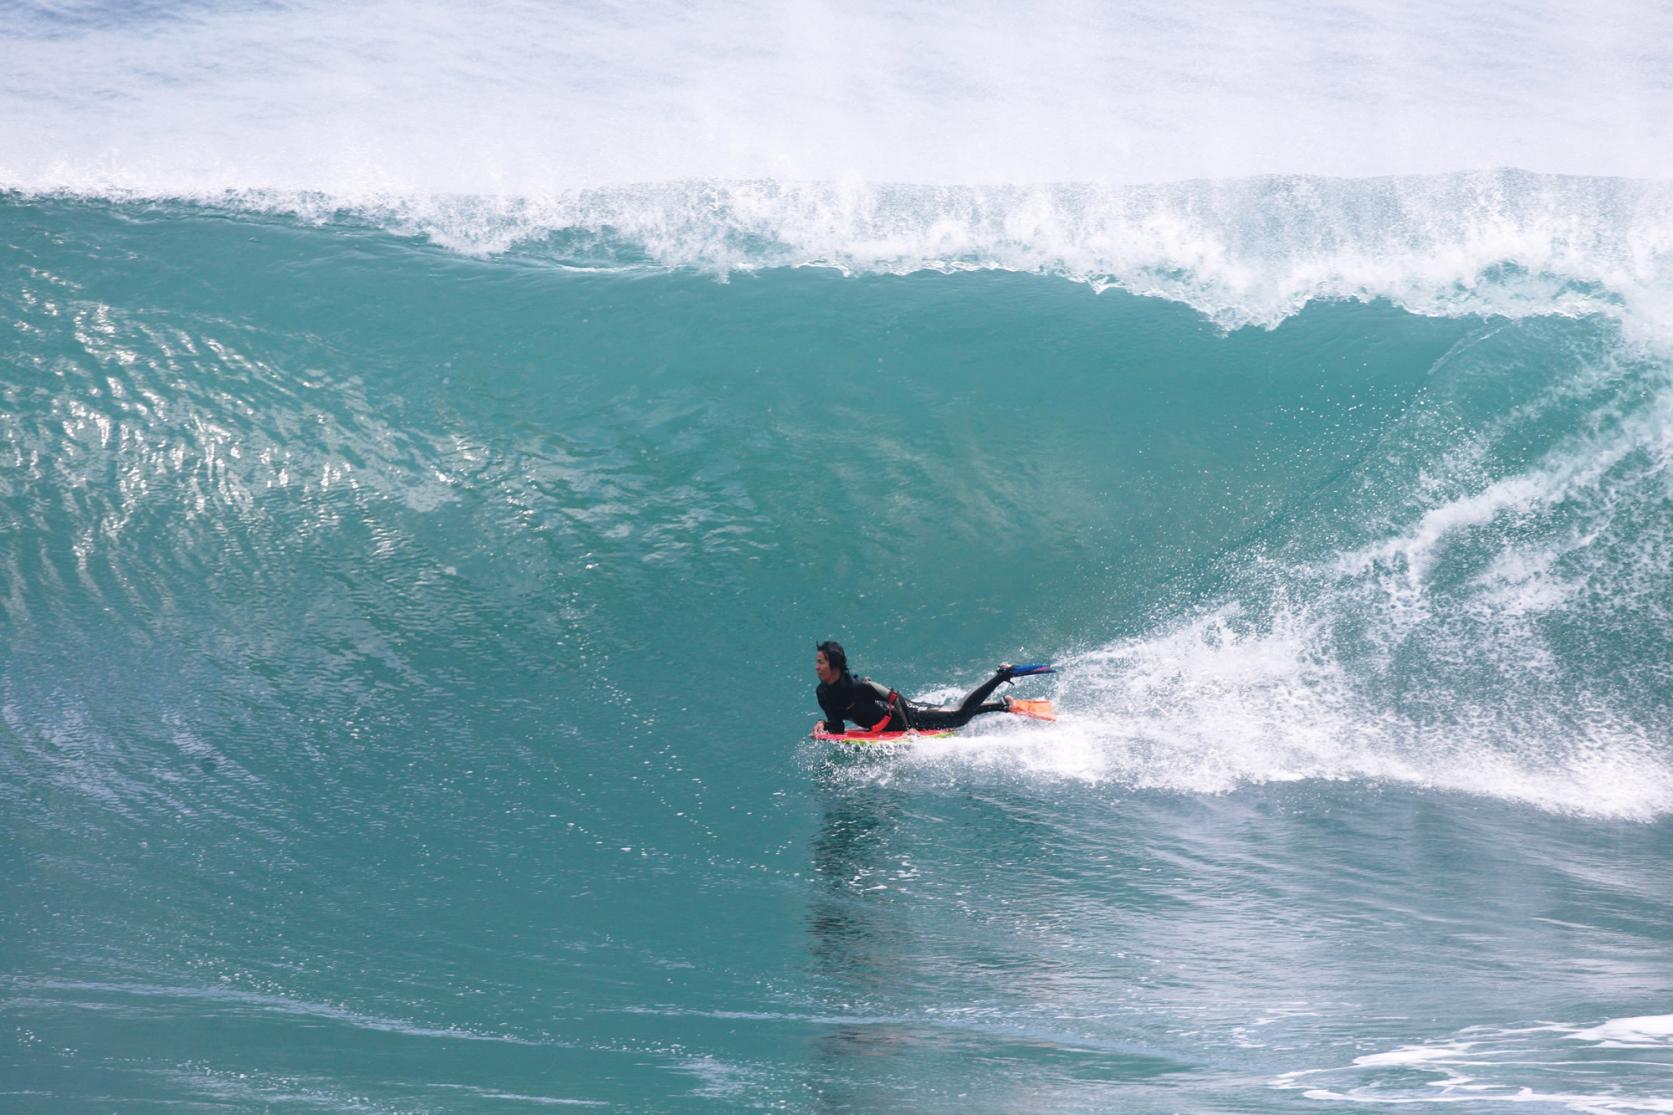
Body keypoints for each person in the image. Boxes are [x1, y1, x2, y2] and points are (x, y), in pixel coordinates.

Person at [814, 640, 1019, 734]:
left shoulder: (860, 685)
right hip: (891, 728)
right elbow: (838, 726)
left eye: (821, 662)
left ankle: (1001, 676)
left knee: (958, 716)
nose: (816, 667)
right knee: (952, 715)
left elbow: (894, 697)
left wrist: (910, 726)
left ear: (835, 664)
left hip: (907, 715)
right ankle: (1003, 705)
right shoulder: (823, 693)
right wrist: (824, 725)